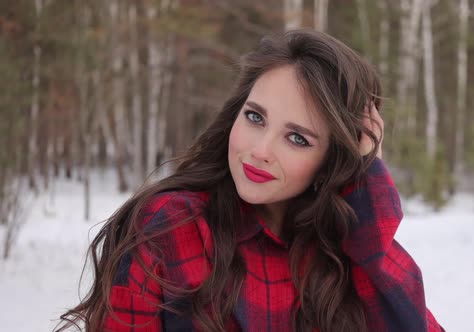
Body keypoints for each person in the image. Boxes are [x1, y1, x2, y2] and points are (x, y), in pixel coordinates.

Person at [56, 29, 444, 332]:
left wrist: (368, 215)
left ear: (330, 161)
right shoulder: (170, 226)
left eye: (297, 138)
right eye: (255, 117)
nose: (260, 150)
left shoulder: (340, 249)